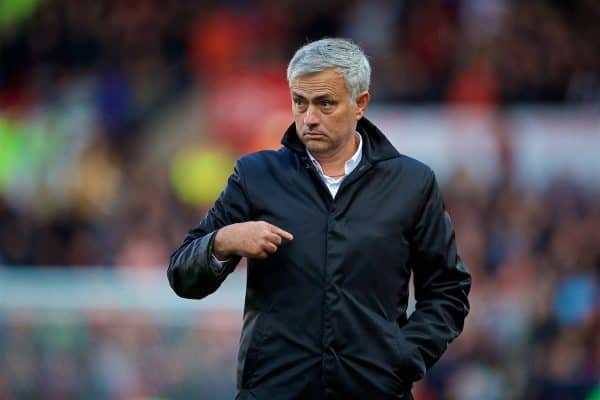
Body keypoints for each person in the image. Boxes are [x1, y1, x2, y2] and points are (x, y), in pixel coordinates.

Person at [167, 38, 471, 400]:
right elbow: (182, 276)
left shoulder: (412, 183)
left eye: (325, 103)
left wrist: (403, 357)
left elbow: (448, 290)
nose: (309, 118)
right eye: (300, 102)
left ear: (360, 104)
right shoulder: (256, 175)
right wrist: (224, 241)